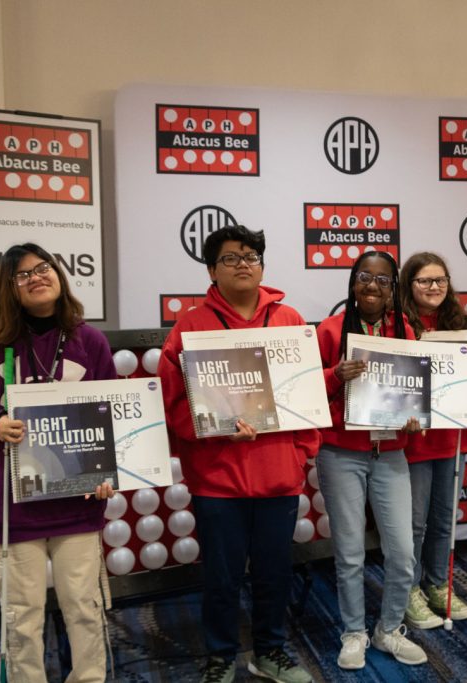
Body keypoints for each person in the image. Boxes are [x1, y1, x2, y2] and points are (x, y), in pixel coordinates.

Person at [156, 226, 318, 683]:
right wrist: (218, 430)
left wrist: (301, 454)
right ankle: (221, 654)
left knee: (274, 573)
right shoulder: (191, 325)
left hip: (278, 474)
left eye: (252, 255)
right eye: (230, 258)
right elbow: (174, 401)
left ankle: (269, 651)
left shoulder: (288, 319)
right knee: (221, 578)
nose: (243, 263)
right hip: (218, 478)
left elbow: (306, 395)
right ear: (211, 270)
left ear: (263, 264)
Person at [0, 243, 115, 682]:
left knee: (84, 607)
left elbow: (110, 413)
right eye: (23, 274)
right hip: (12, 508)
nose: (37, 277)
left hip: (76, 502)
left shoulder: (90, 340)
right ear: (9, 288)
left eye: (43, 268)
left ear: (59, 274)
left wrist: (108, 472)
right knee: (22, 617)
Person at [315, 251, 427, 670]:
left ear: (393, 287)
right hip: (342, 453)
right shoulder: (329, 330)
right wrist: (334, 376)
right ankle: (354, 633)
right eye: (365, 277)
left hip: (391, 452)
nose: (372, 287)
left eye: (383, 280)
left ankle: (389, 629)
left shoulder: (406, 334)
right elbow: (307, 392)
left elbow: (414, 395)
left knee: (401, 552)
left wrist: (417, 420)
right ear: (352, 282)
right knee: (348, 552)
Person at [396, 252, 467, 629]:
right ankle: (408, 590)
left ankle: (437, 585)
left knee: (444, 520)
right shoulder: (398, 325)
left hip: (452, 436)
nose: (434, 288)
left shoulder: (462, 325)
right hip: (412, 439)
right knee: (413, 523)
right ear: (409, 285)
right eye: (425, 281)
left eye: (440, 280)